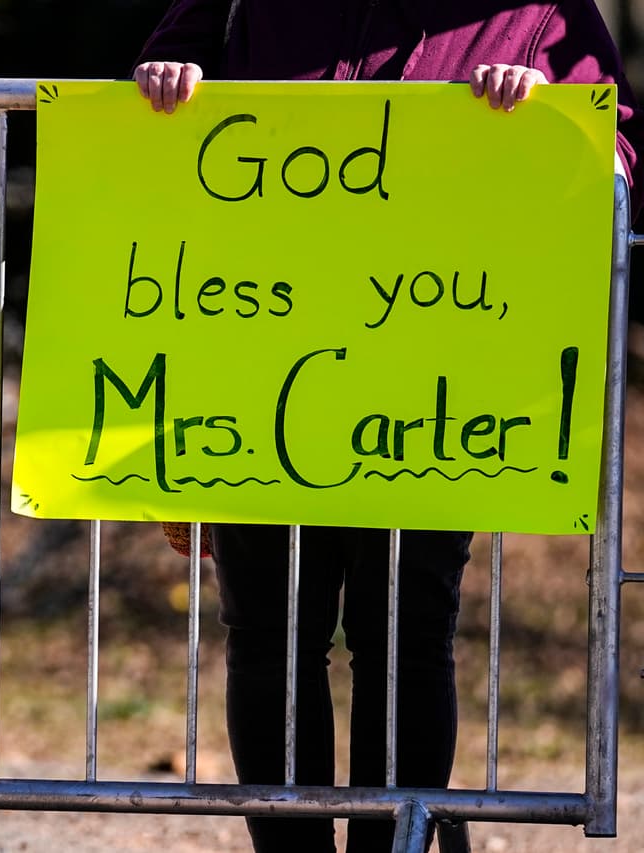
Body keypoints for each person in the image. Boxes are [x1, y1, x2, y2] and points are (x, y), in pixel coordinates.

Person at [135, 2, 641, 851]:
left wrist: (545, 107)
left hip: (435, 385)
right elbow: (151, 90)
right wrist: (165, 82)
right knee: (268, 631)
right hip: (258, 353)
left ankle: (394, 844)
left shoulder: (540, 8)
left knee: (404, 632)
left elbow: (615, 155)